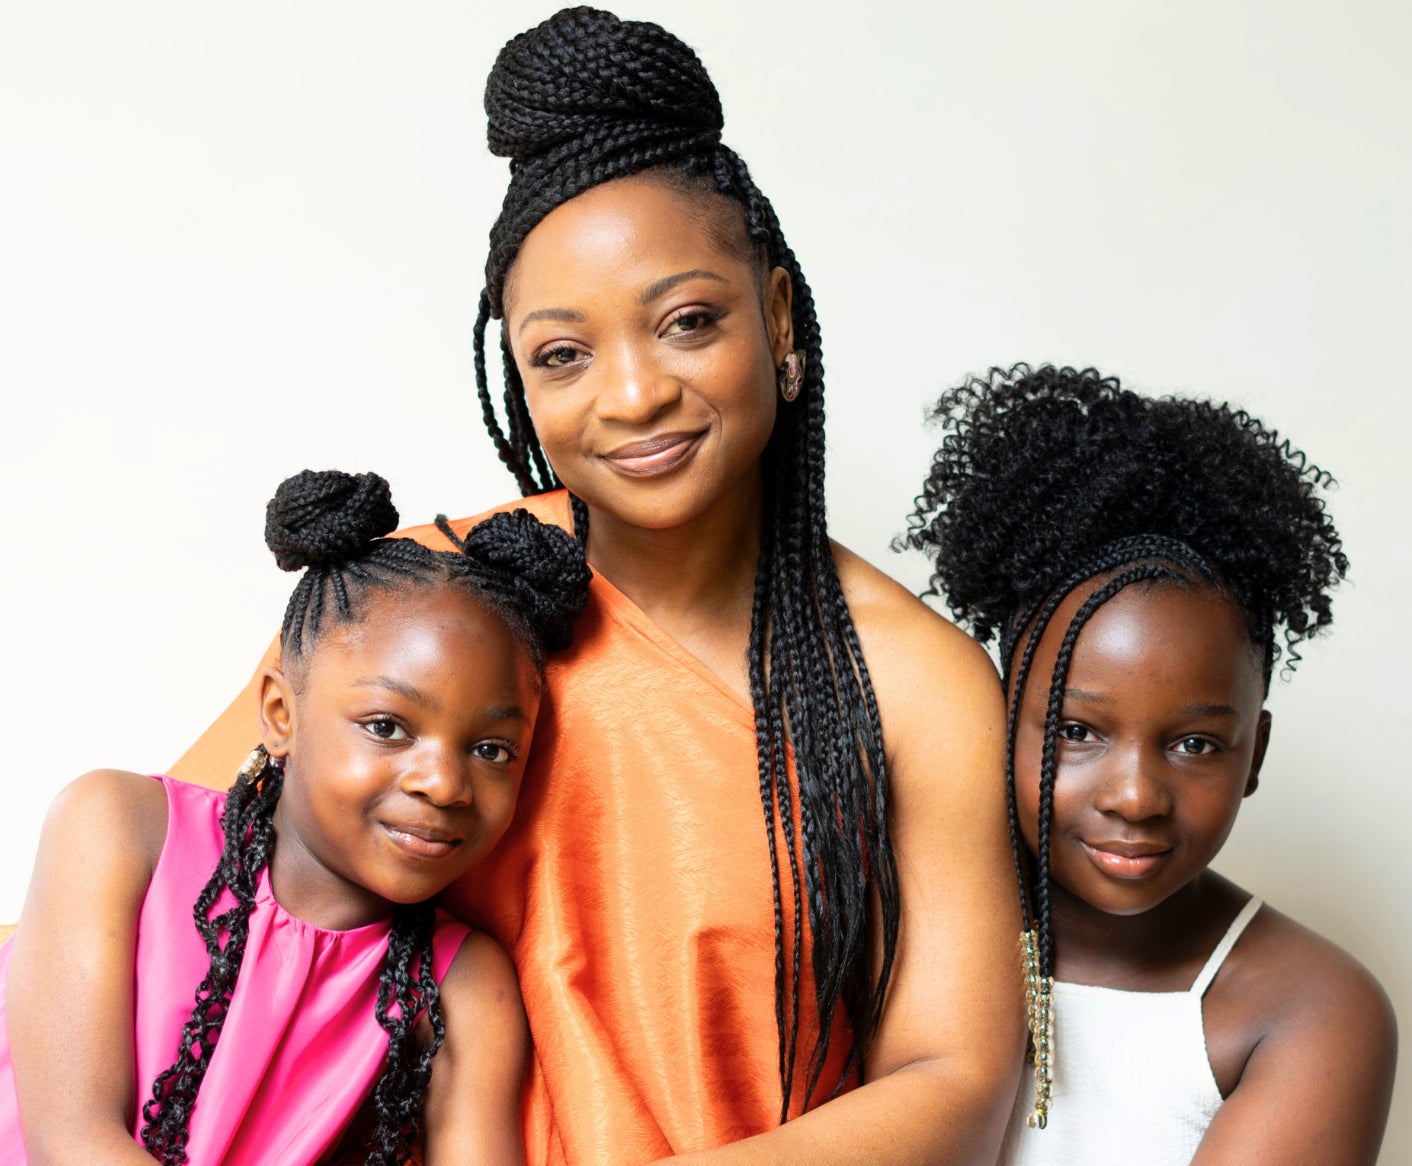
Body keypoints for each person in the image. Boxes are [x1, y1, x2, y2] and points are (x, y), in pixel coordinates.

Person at [170, 8, 1024, 1164]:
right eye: (562, 354)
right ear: (517, 378)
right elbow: (175, 878)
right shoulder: (426, 602)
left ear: (777, 318)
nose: (629, 396)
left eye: (684, 322)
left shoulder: (913, 682)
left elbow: (956, 1080)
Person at [0, 468, 591, 1165]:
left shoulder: (464, 988)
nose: (443, 783)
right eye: (387, 726)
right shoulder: (116, 828)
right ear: (281, 715)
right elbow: (73, 1141)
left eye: (492, 748)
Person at [901, 363, 1398, 1164]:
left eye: (1195, 744)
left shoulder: (1310, 1011)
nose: (1134, 796)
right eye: (1076, 729)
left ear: (1255, 753)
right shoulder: (903, 931)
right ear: (994, 719)